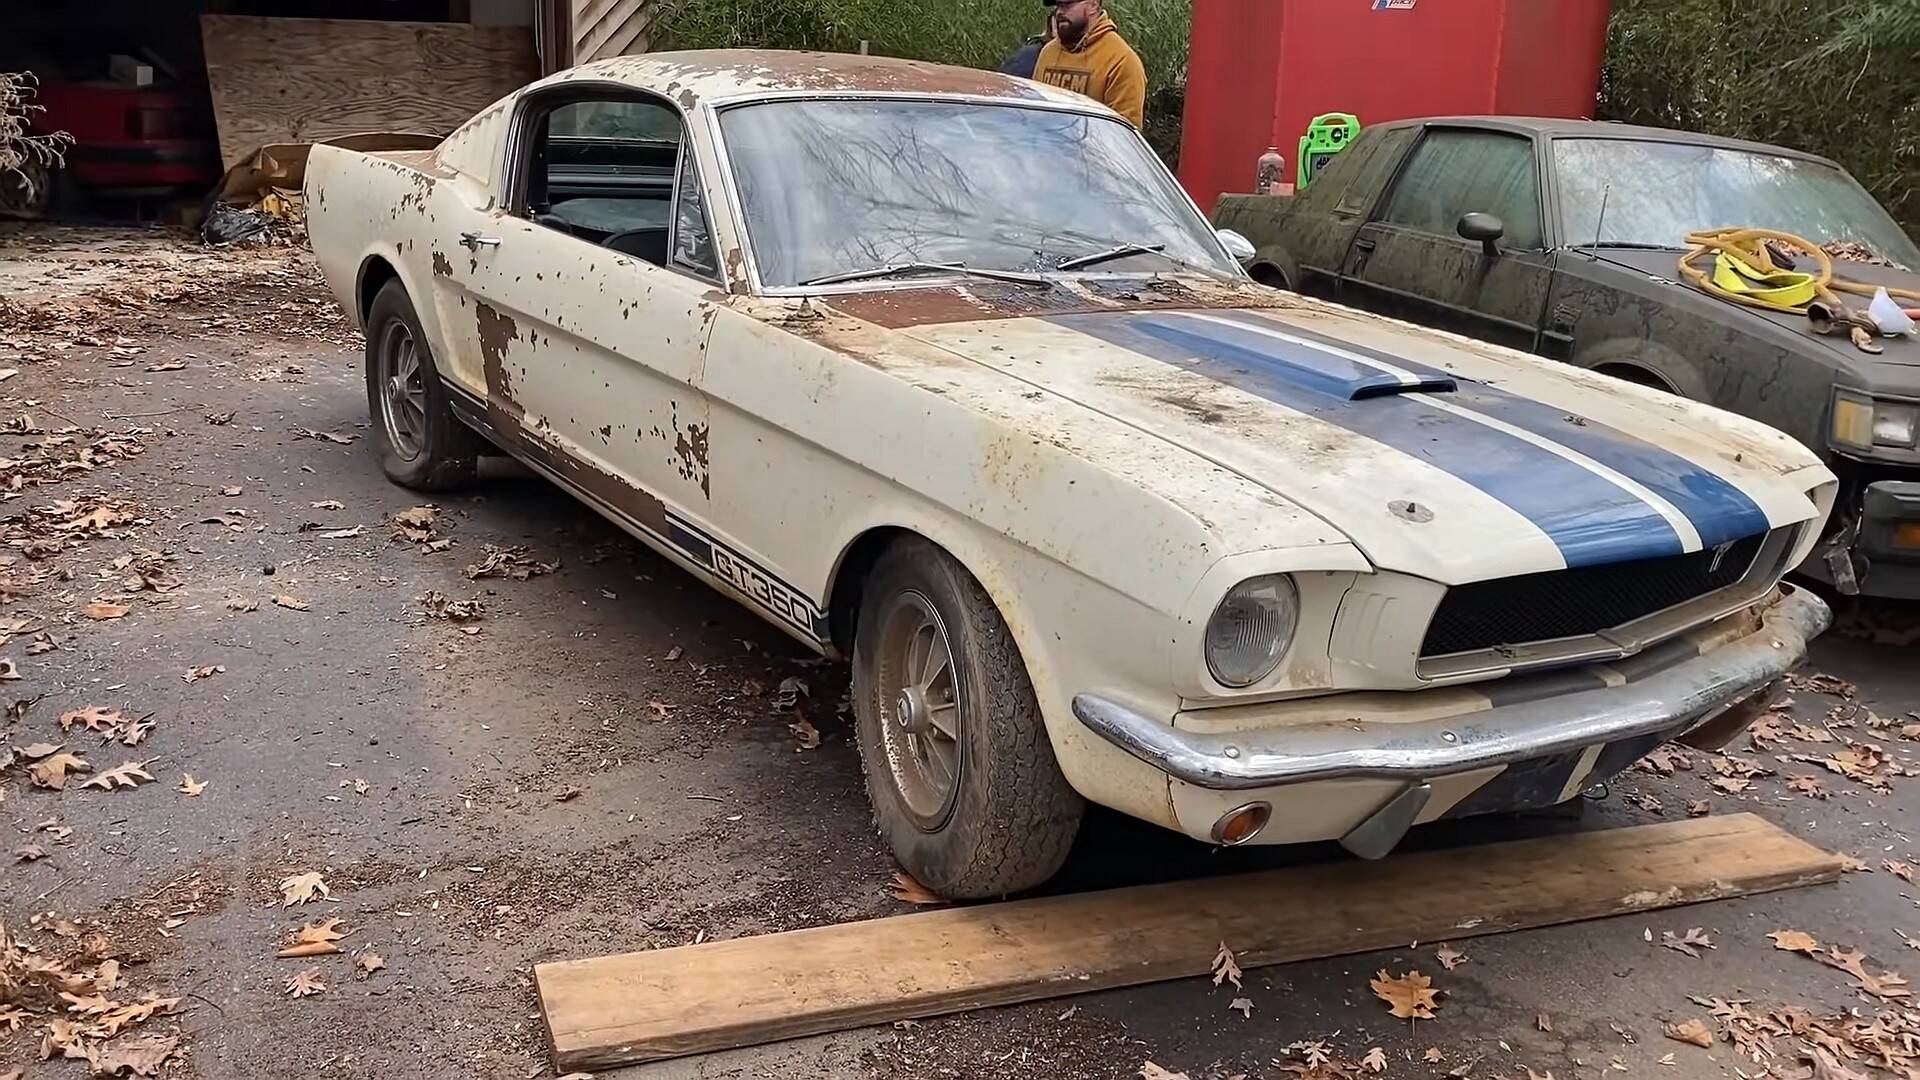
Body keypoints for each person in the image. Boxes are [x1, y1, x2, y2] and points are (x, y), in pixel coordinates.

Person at [1031, 0, 1147, 129]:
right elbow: (1033, 115)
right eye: (1058, 6)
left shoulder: (1121, 60)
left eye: (1067, 4)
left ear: (1093, 5)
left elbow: (1123, 136)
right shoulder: (1048, 53)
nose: (1059, 12)